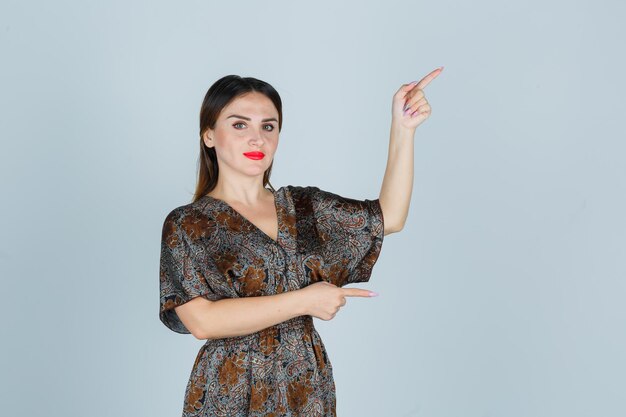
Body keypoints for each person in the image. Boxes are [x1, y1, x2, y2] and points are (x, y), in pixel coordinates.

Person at [159, 70, 442, 417]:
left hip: (303, 379)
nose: (256, 139)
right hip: (231, 388)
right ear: (208, 135)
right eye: (239, 125)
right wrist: (306, 300)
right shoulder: (188, 224)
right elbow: (203, 322)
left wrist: (403, 129)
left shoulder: (303, 207)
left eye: (268, 126)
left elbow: (389, 218)